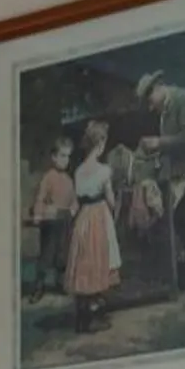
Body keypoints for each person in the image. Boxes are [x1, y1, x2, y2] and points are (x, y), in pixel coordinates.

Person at [135, 69, 185, 290]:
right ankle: (183, 279)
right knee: (175, 222)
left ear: (158, 88)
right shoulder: (165, 109)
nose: (150, 107)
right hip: (177, 172)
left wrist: (158, 143)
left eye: (150, 101)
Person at [64, 116, 121, 330]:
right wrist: (117, 205)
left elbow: (75, 203)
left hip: (83, 219)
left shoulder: (78, 171)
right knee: (99, 260)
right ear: (101, 144)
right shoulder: (104, 171)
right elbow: (111, 200)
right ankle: (93, 315)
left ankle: (83, 316)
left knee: (84, 262)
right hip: (99, 217)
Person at [26, 133, 76, 299]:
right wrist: (39, 215)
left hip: (65, 220)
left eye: (68, 156)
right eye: (62, 156)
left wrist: (74, 208)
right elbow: (40, 198)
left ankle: (60, 283)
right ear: (54, 157)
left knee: (63, 253)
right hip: (51, 220)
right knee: (47, 253)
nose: (65, 160)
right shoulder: (49, 177)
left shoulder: (69, 179)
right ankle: (38, 287)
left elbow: (73, 200)